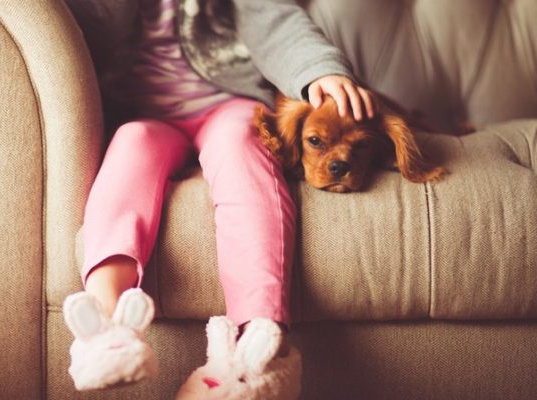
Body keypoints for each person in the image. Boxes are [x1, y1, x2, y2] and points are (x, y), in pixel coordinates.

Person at [60, 0, 374, 395]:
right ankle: (106, 325)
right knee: (131, 144)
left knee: (241, 144)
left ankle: (259, 346)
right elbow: (84, 23)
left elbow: (274, 20)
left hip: (228, 102)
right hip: (143, 114)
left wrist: (318, 70)